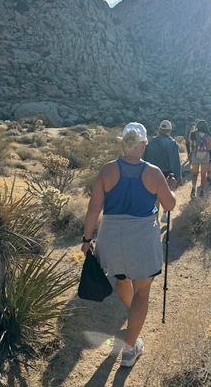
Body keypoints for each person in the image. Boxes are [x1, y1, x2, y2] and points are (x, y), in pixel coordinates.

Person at [81, 122, 176, 367]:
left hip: (111, 236)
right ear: (144, 144)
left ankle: (132, 319)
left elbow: (94, 208)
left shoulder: (107, 170)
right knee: (142, 291)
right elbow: (170, 205)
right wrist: (171, 188)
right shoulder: (153, 172)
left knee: (121, 279)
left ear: (123, 143)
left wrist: (86, 239)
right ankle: (130, 349)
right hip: (142, 236)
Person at [143, 120, 181, 223]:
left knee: (154, 197)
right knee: (166, 195)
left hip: (151, 173)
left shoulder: (150, 142)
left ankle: (155, 219)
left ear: (160, 130)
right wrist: (178, 176)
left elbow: (145, 158)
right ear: (169, 130)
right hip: (167, 173)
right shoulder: (173, 144)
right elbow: (175, 162)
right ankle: (164, 214)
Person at [189, 119, 211, 198]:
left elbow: (191, 146)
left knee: (194, 174)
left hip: (195, 155)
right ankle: (202, 191)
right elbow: (209, 148)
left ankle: (193, 190)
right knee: (203, 175)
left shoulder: (193, 134)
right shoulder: (209, 135)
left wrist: (191, 154)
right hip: (205, 155)